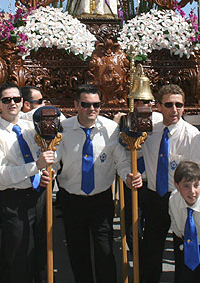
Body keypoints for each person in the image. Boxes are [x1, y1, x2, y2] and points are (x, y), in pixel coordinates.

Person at [141, 84, 200, 283]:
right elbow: (130, 151)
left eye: (179, 105)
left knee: (182, 252)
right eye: (168, 104)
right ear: (158, 106)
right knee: (150, 252)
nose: (174, 110)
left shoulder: (192, 135)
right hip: (154, 198)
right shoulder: (149, 131)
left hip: (181, 200)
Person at [55, 84, 141, 283]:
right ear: (76, 105)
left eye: (96, 105)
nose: (91, 109)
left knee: (104, 249)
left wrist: (128, 175)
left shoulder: (111, 129)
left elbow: (121, 161)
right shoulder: (64, 129)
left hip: (101, 200)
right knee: (78, 251)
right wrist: (47, 173)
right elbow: (55, 161)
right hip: (71, 199)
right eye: (85, 104)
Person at [0, 82, 54, 282]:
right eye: (6, 100)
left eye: (16, 99)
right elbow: (0, 175)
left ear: (23, 102)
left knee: (39, 252)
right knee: (18, 253)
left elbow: (45, 156)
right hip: (13, 199)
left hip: (37, 194)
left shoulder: (30, 127)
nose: (12, 103)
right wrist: (35, 167)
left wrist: (47, 173)